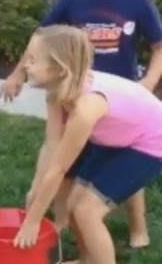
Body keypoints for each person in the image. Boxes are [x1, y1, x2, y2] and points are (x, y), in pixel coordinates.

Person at [0, 0, 162, 248]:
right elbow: (40, 39)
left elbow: (159, 47)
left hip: (117, 102)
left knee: (118, 169)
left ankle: (137, 230)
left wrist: (148, 82)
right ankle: (62, 226)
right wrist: (18, 72)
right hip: (72, 89)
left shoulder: (137, 3)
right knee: (72, 169)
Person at [12, 25, 162, 264]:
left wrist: (32, 221)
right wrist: (35, 188)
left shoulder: (87, 106)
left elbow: (60, 168)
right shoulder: (55, 92)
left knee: (88, 212)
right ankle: (88, 261)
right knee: (73, 204)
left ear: (60, 68)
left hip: (150, 141)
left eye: (32, 60)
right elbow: (52, 147)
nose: (25, 66)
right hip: (117, 136)